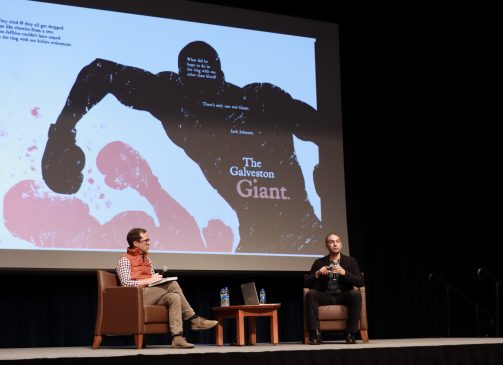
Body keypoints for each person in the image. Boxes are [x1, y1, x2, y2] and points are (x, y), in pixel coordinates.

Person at [42, 40, 326, 254]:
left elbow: (323, 131)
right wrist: (62, 134)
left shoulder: (255, 99)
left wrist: (63, 135)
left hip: (299, 233)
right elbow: (100, 72)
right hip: (265, 235)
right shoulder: (179, 100)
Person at [116, 227, 218, 349]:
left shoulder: (147, 259)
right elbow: (126, 284)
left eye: (149, 240)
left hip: (149, 294)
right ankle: (194, 319)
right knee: (172, 284)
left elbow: (150, 280)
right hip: (135, 297)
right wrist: (150, 280)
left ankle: (177, 338)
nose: (149, 243)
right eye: (146, 240)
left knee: (174, 297)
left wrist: (155, 278)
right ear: (136, 243)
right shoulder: (124, 259)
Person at [303, 233, 364, 344]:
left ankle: (351, 334)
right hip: (325, 296)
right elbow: (306, 283)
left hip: (343, 296)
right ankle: (315, 334)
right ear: (326, 245)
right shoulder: (319, 262)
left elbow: (360, 282)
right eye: (331, 242)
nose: (335, 244)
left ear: (341, 244)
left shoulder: (350, 261)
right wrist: (317, 273)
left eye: (338, 241)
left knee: (355, 294)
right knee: (311, 294)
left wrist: (344, 272)